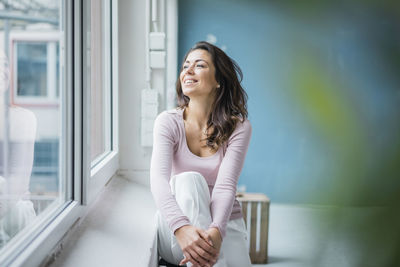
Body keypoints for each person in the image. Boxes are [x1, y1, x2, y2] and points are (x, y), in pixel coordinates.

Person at [150, 41, 252, 267]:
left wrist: (216, 231)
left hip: (225, 223)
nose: (188, 71)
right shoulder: (167, 122)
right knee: (190, 179)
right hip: (176, 228)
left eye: (199, 65)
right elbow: (158, 181)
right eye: (185, 65)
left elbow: (226, 185)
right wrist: (181, 227)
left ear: (218, 81)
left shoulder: (239, 127)